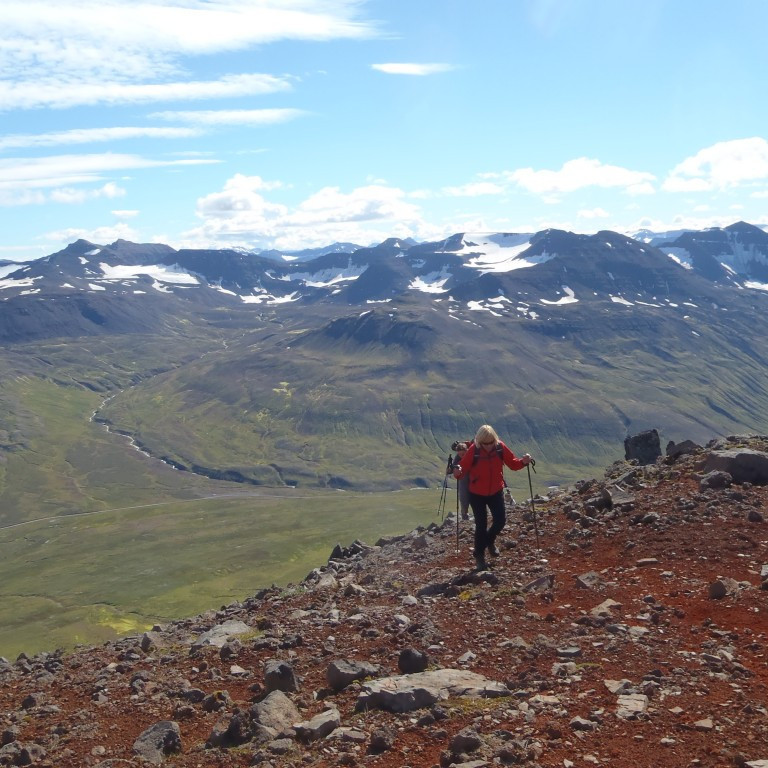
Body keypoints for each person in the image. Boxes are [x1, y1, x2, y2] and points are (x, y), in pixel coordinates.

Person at [453, 424, 532, 571]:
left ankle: (488, 542)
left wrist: (523, 462)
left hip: (496, 491)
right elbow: (462, 469)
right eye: (485, 443)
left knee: (500, 521)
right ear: (479, 441)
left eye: (491, 443)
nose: (489, 446)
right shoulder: (473, 450)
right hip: (476, 494)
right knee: (481, 526)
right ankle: (480, 557)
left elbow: (513, 464)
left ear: (494, 439)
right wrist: (457, 472)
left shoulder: (500, 447)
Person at [450, 442, 471, 520]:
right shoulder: (457, 458)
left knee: (475, 498)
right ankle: (464, 517)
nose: (461, 456)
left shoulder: (472, 455)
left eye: (463, 454)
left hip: (473, 479)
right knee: (464, 497)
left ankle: (480, 516)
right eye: (459, 454)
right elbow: (453, 468)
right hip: (463, 479)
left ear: (467, 451)